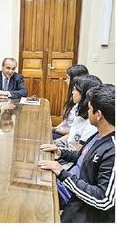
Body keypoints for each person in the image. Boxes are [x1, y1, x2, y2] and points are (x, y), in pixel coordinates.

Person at [38, 84, 115, 223]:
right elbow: (85, 158)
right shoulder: (99, 134)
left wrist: (62, 174)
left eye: (90, 108)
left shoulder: (113, 151)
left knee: (36, 199)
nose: (87, 110)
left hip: (81, 203)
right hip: (73, 185)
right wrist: (61, 153)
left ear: (98, 115)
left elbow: (104, 200)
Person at [42, 74, 102, 152]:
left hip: (71, 156)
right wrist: (55, 143)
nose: (72, 92)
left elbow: (78, 151)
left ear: (84, 94)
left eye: (75, 89)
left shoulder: (92, 122)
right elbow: (72, 135)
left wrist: (58, 150)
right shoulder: (79, 108)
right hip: (66, 148)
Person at [52, 64, 89, 139]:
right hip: (62, 132)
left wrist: (54, 130)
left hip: (66, 136)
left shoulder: (82, 103)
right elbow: (66, 122)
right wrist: (54, 128)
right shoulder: (73, 97)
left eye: (68, 78)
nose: (65, 80)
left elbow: (74, 132)